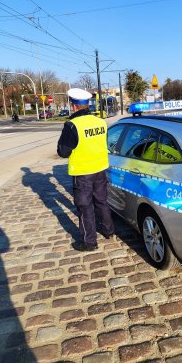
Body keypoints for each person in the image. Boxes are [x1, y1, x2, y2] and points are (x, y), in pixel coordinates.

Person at [57, 88, 115, 252]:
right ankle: (108, 230)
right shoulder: (100, 122)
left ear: (73, 106)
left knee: (84, 206)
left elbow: (63, 152)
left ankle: (89, 242)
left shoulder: (72, 125)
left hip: (83, 172)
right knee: (102, 201)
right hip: (100, 168)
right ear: (88, 104)